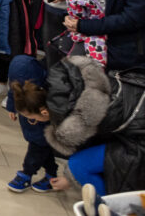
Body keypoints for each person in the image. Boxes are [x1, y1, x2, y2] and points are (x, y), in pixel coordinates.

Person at [12, 55, 145, 202]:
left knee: (78, 166)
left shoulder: (77, 117)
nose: (33, 122)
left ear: (44, 112)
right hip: (134, 120)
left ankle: (111, 206)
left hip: (139, 138)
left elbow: (88, 144)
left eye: (32, 118)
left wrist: (70, 179)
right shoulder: (69, 88)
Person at [4, 55, 58, 193]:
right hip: (35, 124)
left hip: (44, 126)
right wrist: (12, 107)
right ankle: (51, 175)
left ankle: (26, 174)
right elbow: (13, 91)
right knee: (44, 149)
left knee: (37, 149)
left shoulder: (49, 89)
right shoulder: (21, 86)